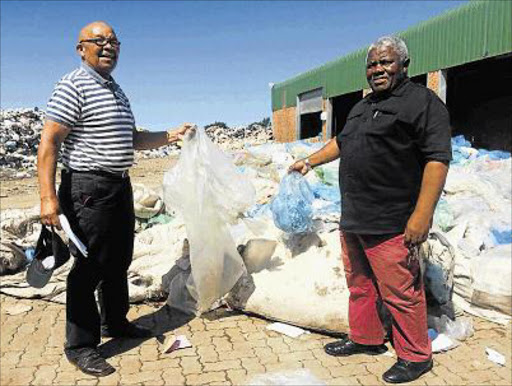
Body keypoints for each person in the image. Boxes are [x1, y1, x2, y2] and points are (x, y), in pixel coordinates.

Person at [289, 35, 451, 383]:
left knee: (401, 291)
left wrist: (422, 215)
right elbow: (342, 142)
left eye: (385, 62)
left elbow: (438, 160)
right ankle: (366, 339)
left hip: (393, 219)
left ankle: (415, 356)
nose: (377, 69)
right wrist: (309, 161)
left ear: (404, 65)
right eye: (372, 64)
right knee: (360, 284)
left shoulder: (422, 103)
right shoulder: (363, 107)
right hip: (355, 216)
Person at [37, 21, 195, 377]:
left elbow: (134, 139)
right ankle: (80, 345)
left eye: (114, 41)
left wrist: (172, 134)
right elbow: (49, 143)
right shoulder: (73, 85)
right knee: (88, 266)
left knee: (118, 260)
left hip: (118, 187)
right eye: (99, 41)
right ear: (81, 48)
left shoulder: (116, 90)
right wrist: (48, 199)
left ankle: (115, 322)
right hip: (87, 189)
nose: (108, 46)